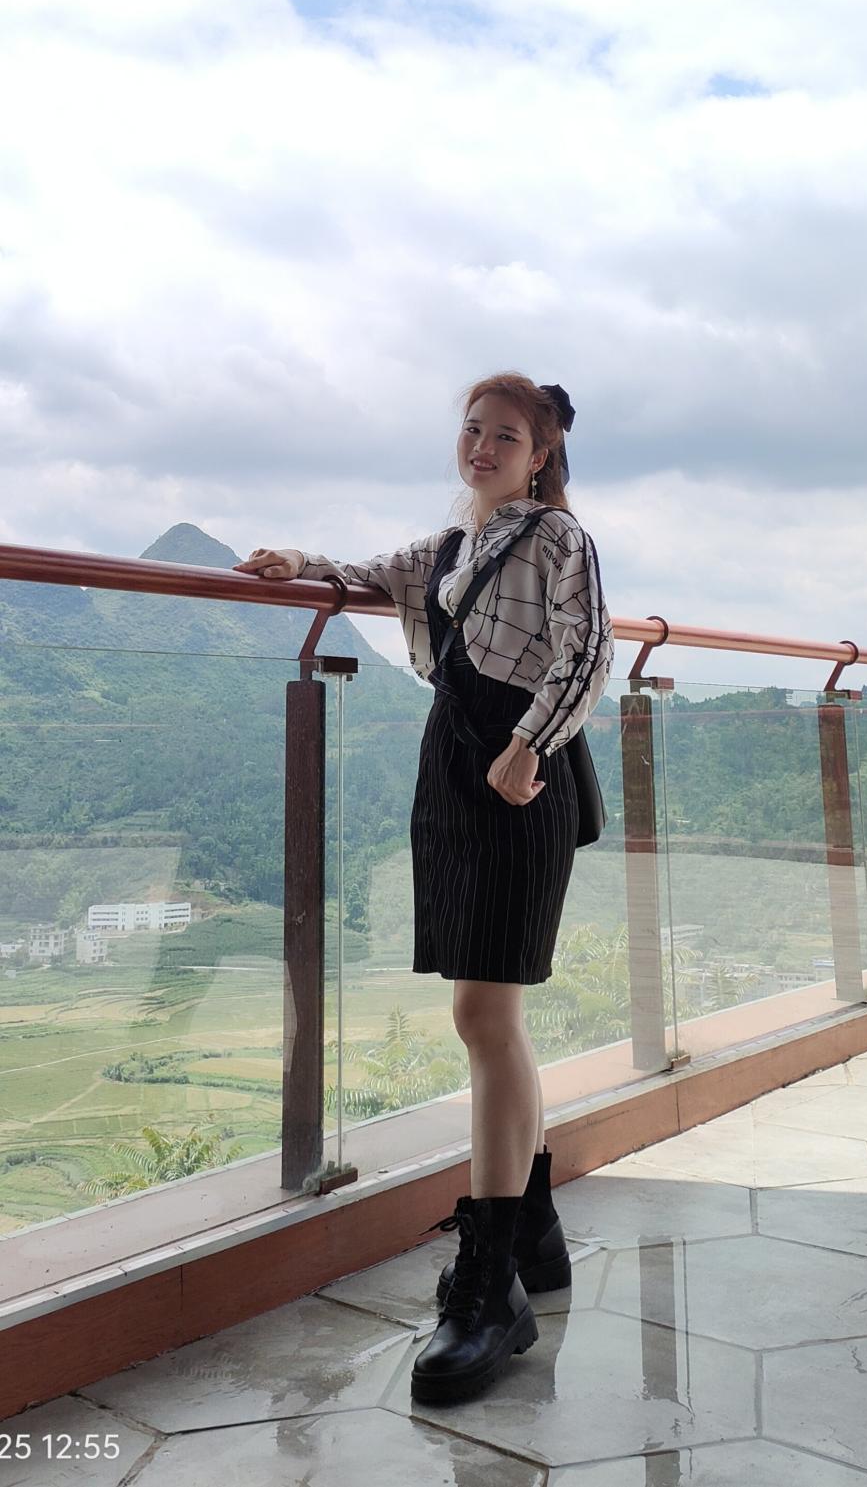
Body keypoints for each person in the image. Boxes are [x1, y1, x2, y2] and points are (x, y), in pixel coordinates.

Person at [233, 371, 614, 1405]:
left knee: (485, 1013)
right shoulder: (449, 546)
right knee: (485, 1014)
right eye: (472, 429)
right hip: (450, 772)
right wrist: (300, 563)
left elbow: (589, 649)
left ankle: (490, 1282)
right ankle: (530, 1224)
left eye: (505, 436)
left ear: (541, 454)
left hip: (519, 776)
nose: (482, 447)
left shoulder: (559, 539)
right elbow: (363, 573)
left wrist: (529, 745)